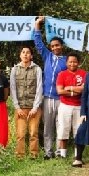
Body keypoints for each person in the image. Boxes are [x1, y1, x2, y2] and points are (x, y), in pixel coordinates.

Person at [33, 16, 68, 158]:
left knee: (61, 125)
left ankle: (60, 151)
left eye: (57, 45)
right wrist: (37, 24)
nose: (55, 48)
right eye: (52, 46)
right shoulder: (47, 56)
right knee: (48, 126)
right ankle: (48, 152)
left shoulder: (67, 61)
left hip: (61, 98)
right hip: (47, 97)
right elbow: (38, 43)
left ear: (62, 46)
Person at [10, 46, 43, 157]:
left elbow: (39, 89)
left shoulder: (37, 69)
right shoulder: (15, 69)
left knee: (33, 133)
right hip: (21, 108)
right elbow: (13, 89)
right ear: (20, 55)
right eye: (23, 52)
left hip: (34, 107)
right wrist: (17, 107)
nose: (25, 54)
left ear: (31, 56)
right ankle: (20, 156)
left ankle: (34, 155)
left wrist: (35, 108)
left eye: (28, 52)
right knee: (20, 134)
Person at [55, 53, 86, 159]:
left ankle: (78, 155)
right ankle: (63, 154)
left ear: (78, 63)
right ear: (66, 62)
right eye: (70, 61)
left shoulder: (83, 74)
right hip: (65, 105)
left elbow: (84, 89)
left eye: (75, 61)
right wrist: (75, 92)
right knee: (63, 129)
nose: (72, 63)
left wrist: (70, 88)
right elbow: (60, 91)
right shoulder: (62, 74)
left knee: (78, 130)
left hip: (79, 106)